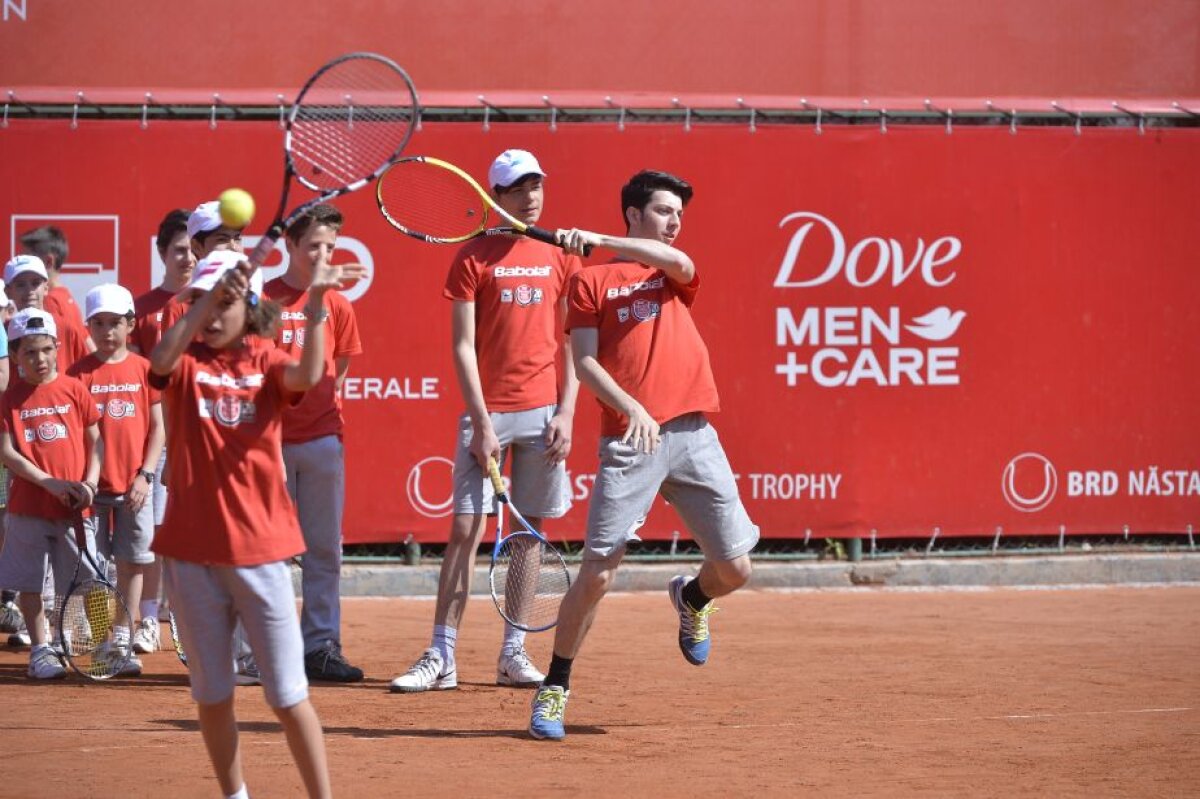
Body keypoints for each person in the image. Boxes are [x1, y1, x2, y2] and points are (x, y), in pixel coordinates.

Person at [526, 170, 759, 740]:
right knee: (598, 574)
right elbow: (584, 363)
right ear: (634, 213)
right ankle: (554, 687)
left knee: (736, 569)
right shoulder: (590, 281)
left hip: (694, 435)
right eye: (662, 211)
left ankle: (693, 597)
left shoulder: (669, 271)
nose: (674, 221)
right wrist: (631, 407)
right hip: (631, 440)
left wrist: (601, 238)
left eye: (679, 213)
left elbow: (677, 260)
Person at [149, 248, 351, 799]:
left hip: (261, 553)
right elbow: (159, 362)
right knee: (213, 694)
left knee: (287, 696)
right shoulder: (184, 361)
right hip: (191, 555)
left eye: (226, 303)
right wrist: (206, 299)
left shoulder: (266, 359)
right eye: (202, 302)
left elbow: (308, 373)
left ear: (251, 306)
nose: (213, 314)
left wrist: (316, 303)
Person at [390, 149, 582, 693]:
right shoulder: (473, 256)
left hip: (544, 414)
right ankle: (441, 655)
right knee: (464, 532)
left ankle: (512, 654)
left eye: (536, 185)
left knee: (528, 535)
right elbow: (462, 346)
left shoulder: (560, 254)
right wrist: (482, 422)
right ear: (496, 197)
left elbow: (573, 340)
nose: (531, 196)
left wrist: (567, 412)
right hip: (489, 414)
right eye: (519, 188)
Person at [263, 204, 364, 682]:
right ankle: (269, 648)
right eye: (314, 246)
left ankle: (321, 647)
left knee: (324, 551)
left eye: (330, 246)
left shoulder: (338, 305)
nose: (324, 255)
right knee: (268, 553)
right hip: (270, 446)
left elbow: (335, 372)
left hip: (323, 441)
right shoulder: (264, 301)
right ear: (290, 245)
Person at [0, 307, 103, 680]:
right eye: (29, 352)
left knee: (77, 581)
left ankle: (74, 641)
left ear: (57, 347)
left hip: (74, 508)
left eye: (45, 349)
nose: (39, 358)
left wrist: (90, 484)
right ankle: (40, 650)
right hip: (28, 507)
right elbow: (7, 453)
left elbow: (96, 441)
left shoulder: (75, 389)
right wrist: (49, 483)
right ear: (14, 356)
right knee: (30, 583)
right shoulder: (8, 400)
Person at [68, 284, 165, 667]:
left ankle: (123, 639)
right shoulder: (77, 374)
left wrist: (146, 475)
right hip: (91, 491)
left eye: (115, 323)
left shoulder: (145, 369)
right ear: (88, 326)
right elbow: (73, 436)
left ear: (131, 324)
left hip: (135, 489)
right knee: (94, 568)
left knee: (132, 563)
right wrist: (82, 482)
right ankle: (101, 639)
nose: (107, 331)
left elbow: (159, 428)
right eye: (99, 323)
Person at [129, 208, 197, 641]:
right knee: (154, 532)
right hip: (157, 438)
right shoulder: (140, 310)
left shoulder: (211, 306)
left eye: (192, 249)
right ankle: (150, 619)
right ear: (162, 253)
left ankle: (186, 616)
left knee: (191, 532)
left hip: (199, 436)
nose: (187, 258)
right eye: (178, 250)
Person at [4, 255, 92, 374]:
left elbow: (88, 373)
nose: (29, 291)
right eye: (20, 285)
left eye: (35, 283)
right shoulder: (3, 333)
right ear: (7, 292)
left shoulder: (66, 328)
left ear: (46, 288)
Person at [20, 226, 85, 326]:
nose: (23, 267)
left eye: (28, 260)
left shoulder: (48, 302)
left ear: (48, 261)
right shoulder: (64, 297)